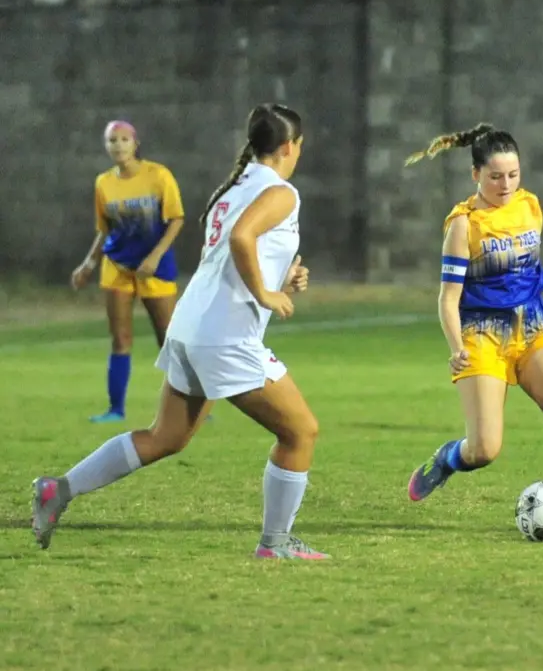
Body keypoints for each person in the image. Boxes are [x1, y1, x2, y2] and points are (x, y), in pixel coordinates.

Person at [32, 103, 327, 560]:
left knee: (165, 437)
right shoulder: (281, 192)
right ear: (290, 146)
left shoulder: (236, 185)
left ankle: (59, 489)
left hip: (191, 326)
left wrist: (280, 280)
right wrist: (265, 294)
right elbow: (241, 238)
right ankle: (275, 543)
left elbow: (230, 255)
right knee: (301, 432)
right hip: (225, 337)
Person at [402, 123, 543, 541]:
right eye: (495, 176)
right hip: (482, 334)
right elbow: (448, 298)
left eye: (513, 175)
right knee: (484, 449)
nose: (505, 185)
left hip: (534, 325)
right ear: (475, 174)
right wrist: (455, 347)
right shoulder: (463, 226)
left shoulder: (530, 206)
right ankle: (448, 458)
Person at [71, 120, 186, 423]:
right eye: (112, 140)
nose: (118, 145)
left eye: (124, 139)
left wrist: (155, 257)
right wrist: (88, 263)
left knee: (168, 338)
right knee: (120, 339)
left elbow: (176, 219)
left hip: (154, 268)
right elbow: (105, 228)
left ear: (136, 144)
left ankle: (188, 407)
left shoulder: (158, 175)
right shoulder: (103, 183)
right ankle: (115, 410)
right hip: (117, 266)